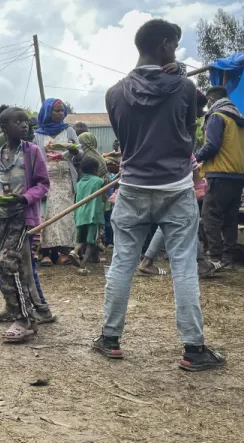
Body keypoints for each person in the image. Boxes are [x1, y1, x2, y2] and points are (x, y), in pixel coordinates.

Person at [97, 18, 224, 371]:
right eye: (176, 45)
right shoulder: (183, 88)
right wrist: (180, 76)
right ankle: (194, 349)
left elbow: (125, 138)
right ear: (165, 44)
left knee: (122, 262)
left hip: (133, 188)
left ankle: (110, 338)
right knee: (183, 266)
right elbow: (189, 131)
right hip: (177, 188)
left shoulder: (113, 93)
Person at [0, 107, 52, 343]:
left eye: (26, 121)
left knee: (6, 262)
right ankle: (13, 306)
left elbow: (43, 184)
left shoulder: (32, 152)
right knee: (15, 266)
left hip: (23, 218)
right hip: (3, 218)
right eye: (18, 122)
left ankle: (25, 319)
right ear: (4, 128)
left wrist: (25, 198)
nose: (24, 125)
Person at [197, 86, 244, 270]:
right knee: (230, 218)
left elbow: (212, 145)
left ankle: (214, 258)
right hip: (238, 175)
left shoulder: (218, 115)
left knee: (210, 216)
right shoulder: (237, 118)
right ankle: (228, 259)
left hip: (220, 173)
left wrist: (194, 157)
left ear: (211, 100)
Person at [33, 98, 81, 266]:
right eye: (57, 111)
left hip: (64, 178)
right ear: (47, 112)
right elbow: (34, 157)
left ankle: (63, 251)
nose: (61, 114)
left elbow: (79, 152)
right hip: (46, 179)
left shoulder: (69, 131)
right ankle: (45, 252)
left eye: (62, 111)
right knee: (47, 213)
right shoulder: (38, 134)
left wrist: (70, 151)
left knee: (65, 213)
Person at [72, 158, 105, 275]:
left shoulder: (79, 183)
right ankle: (83, 265)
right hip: (92, 215)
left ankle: (76, 251)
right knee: (91, 241)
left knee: (82, 239)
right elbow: (104, 191)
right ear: (96, 169)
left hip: (80, 215)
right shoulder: (98, 181)